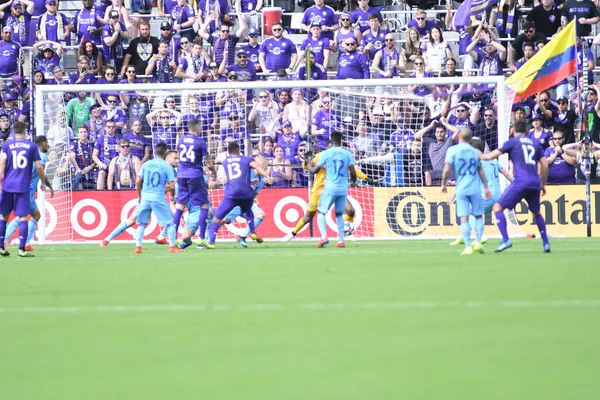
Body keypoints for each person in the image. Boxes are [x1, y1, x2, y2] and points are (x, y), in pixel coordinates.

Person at [480, 119, 551, 253]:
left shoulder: (512, 142)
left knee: (497, 207)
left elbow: (490, 157)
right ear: (526, 131)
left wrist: (479, 155)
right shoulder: (535, 144)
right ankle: (546, 243)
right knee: (536, 213)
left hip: (520, 181)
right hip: (535, 182)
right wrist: (543, 184)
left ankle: (506, 239)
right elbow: (545, 165)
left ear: (512, 131)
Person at [101, 150, 179, 246]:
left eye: (178, 158)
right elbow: (161, 185)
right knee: (132, 220)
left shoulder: (172, 171)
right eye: (175, 158)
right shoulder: (162, 168)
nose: (178, 161)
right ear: (167, 158)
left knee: (174, 216)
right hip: (151, 198)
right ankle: (107, 239)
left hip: (155, 199)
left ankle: (160, 237)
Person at [449, 137, 513, 246]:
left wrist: (453, 194)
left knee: (468, 211)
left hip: (486, 194)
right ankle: (463, 236)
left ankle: (481, 235)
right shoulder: (493, 159)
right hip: (497, 194)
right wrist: (517, 184)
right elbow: (506, 173)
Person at [206, 141, 272, 249]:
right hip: (246, 194)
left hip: (231, 195)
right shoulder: (247, 160)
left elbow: (234, 178)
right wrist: (267, 176)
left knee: (216, 219)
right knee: (249, 211)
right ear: (238, 150)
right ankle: (252, 231)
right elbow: (257, 167)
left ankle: (211, 242)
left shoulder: (225, 162)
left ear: (228, 152)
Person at [441, 129, 492, 255]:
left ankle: (468, 246)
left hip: (461, 189)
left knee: (464, 218)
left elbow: (447, 168)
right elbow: (480, 170)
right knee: (479, 215)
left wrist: (443, 183)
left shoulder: (452, 150)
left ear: (458, 137)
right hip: (475, 188)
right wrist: (486, 186)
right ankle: (478, 242)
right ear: (470, 139)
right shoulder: (475, 152)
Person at [0, 121, 45, 257]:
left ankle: (1, 247)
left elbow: (2, 164)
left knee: (4, 217)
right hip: (23, 186)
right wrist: (43, 181)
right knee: (23, 217)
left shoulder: (6, 145)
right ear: (25, 131)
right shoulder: (31, 146)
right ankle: (21, 249)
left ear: (13, 131)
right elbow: (38, 166)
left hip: (7, 186)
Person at [3, 134, 53, 252]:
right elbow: (41, 172)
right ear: (42, 143)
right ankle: (11, 241)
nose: (48, 145)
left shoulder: (28, 153)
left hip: (15, 186)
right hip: (27, 191)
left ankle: (23, 243)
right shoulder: (41, 156)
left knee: (25, 215)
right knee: (30, 216)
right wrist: (47, 185)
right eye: (46, 143)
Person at [308, 131, 357, 248]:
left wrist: (309, 161)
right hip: (343, 187)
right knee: (339, 213)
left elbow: (314, 170)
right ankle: (341, 241)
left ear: (331, 140)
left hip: (330, 187)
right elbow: (353, 172)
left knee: (321, 211)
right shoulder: (347, 154)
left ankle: (324, 237)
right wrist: (354, 182)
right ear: (342, 140)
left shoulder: (326, 153)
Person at [172, 119, 215, 249]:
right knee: (204, 205)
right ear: (197, 128)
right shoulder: (200, 142)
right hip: (195, 176)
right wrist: (213, 170)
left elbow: (180, 156)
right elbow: (208, 162)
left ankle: (173, 238)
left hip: (182, 175)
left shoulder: (181, 141)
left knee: (180, 205)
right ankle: (201, 238)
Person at [132, 143, 180, 253]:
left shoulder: (146, 164)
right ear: (166, 153)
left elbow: (138, 181)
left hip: (145, 196)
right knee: (170, 222)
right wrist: (173, 196)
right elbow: (172, 186)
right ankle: (172, 247)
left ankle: (138, 247)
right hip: (158, 196)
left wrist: (140, 195)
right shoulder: (167, 166)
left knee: (142, 223)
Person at [217, 154, 268, 248]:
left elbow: (255, 194)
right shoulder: (246, 171)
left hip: (247, 203)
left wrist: (255, 199)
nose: (266, 167)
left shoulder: (261, 180)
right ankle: (206, 236)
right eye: (265, 165)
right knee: (223, 220)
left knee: (261, 214)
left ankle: (242, 236)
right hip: (236, 201)